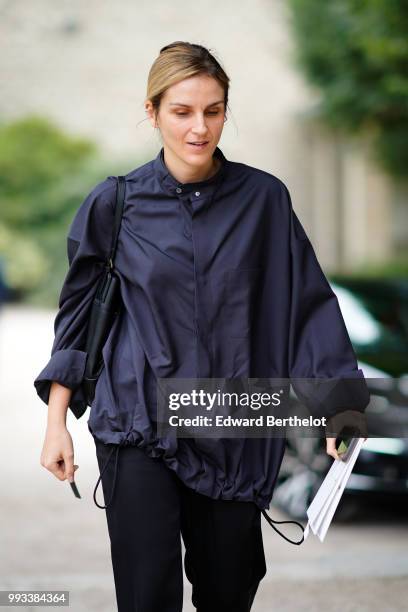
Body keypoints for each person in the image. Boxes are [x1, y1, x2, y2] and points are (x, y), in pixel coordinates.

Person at [34, 41, 369, 612]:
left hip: (231, 417)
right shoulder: (115, 203)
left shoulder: (263, 199)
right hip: (137, 421)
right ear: (153, 111)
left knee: (228, 589)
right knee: (146, 596)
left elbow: (307, 303)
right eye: (182, 111)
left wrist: (338, 404)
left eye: (213, 110)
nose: (199, 127)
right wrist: (56, 420)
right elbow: (80, 315)